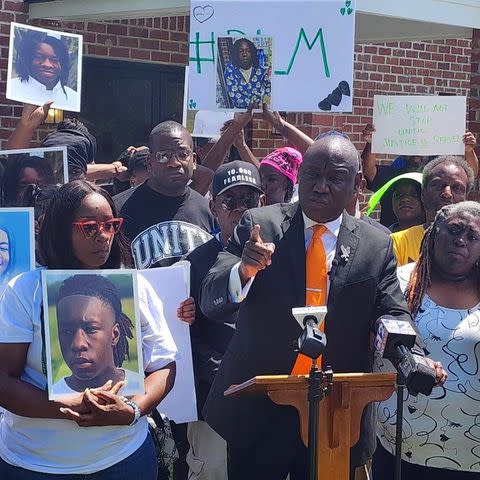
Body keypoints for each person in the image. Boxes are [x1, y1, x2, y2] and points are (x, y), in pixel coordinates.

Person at [199, 135, 447, 480]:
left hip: (336, 413)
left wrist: (412, 355)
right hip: (259, 407)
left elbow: (391, 312)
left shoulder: (375, 245)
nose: (320, 186)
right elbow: (212, 295)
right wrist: (244, 269)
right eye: (312, 174)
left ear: (357, 185)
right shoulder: (260, 224)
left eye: (335, 178)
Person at [0, 180, 178, 478]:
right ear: (60, 230)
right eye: (89, 227)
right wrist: (66, 406)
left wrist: (132, 411)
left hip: (123, 459)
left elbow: (164, 365)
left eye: (110, 225)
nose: (103, 236)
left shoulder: (134, 286)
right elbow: (3, 380)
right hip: (34, 465)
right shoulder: (24, 290)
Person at [374, 201, 480, 480]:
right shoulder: (399, 283)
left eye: (472, 236)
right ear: (433, 234)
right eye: (454, 230)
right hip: (401, 444)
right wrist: (412, 359)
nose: (461, 241)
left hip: (472, 452)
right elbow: (376, 336)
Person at [186, 161, 265, 480]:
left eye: (250, 200)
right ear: (213, 206)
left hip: (269, 401)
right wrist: (222, 373)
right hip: (214, 404)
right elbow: (187, 334)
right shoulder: (195, 262)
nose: (241, 209)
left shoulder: (282, 254)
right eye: (231, 201)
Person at [121, 121, 217, 269]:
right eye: (163, 155)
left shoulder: (209, 210)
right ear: (150, 162)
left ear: (194, 160)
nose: (174, 163)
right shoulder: (119, 210)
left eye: (183, 154)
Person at [361, 124, 478, 227]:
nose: (416, 153)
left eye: (421, 147)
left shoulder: (437, 179)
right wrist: (371, 144)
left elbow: (469, 174)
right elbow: (369, 171)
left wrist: (468, 151)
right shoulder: (392, 176)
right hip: (393, 242)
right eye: (411, 147)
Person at [51, 274, 144, 397]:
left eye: (91, 329)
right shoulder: (53, 395)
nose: (78, 344)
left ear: (115, 334)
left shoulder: (142, 388)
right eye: (67, 332)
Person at [392, 156, 473, 266]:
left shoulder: (475, 246)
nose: (447, 194)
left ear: (466, 198)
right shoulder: (397, 243)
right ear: (423, 194)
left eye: (456, 187)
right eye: (438, 185)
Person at [8, 30, 80, 111]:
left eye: (54, 59)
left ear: (62, 64)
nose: (47, 65)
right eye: (39, 57)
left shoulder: (73, 98)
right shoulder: (12, 88)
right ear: (29, 59)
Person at [222, 38, 271, 109]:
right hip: (240, 112)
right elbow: (234, 95)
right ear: (236, 53)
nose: (244, 54)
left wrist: (264, 102)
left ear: (252, 53)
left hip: (258, 109)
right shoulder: (230, 71)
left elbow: (269, 86)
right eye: (240, 51)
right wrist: (253, 105)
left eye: (248, 51)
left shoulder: (261, 70)